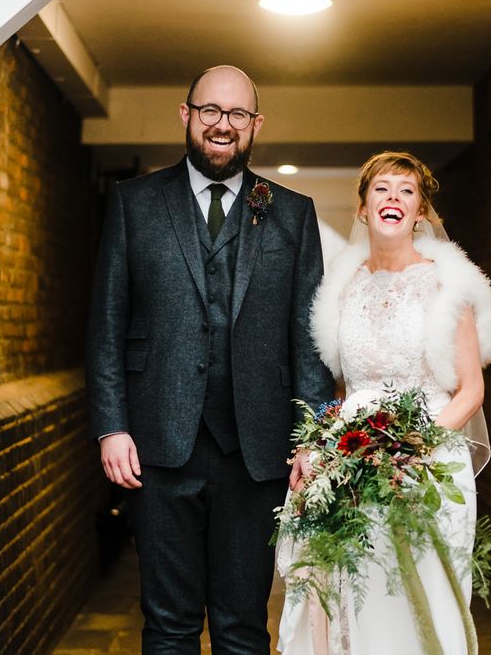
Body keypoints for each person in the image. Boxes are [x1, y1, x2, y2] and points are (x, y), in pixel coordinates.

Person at [87, 65, 335, 654]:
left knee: (243, 628)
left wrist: (311, 438)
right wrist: (110, 426)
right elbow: (106, 324)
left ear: (255, 124)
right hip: (157, 445)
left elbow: (310, 336)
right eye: (211, 112)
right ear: (187, 115)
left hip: (257, 452)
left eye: (238, 115)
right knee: (168, 626)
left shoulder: (291, 213)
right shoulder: (134, 204)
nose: (224, 126)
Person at [279, 151, 491, 654]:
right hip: (352, 458)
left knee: (414, 602)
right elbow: (338, 388)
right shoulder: (341, 288)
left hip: (425, 460)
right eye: (382, 189)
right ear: (362, 208)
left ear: (420, 212)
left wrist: (411, 447)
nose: (393, 199)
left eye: (406, 191)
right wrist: (317, 447)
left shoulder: (450, 286)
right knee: (352, 594)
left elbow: (471, 389)